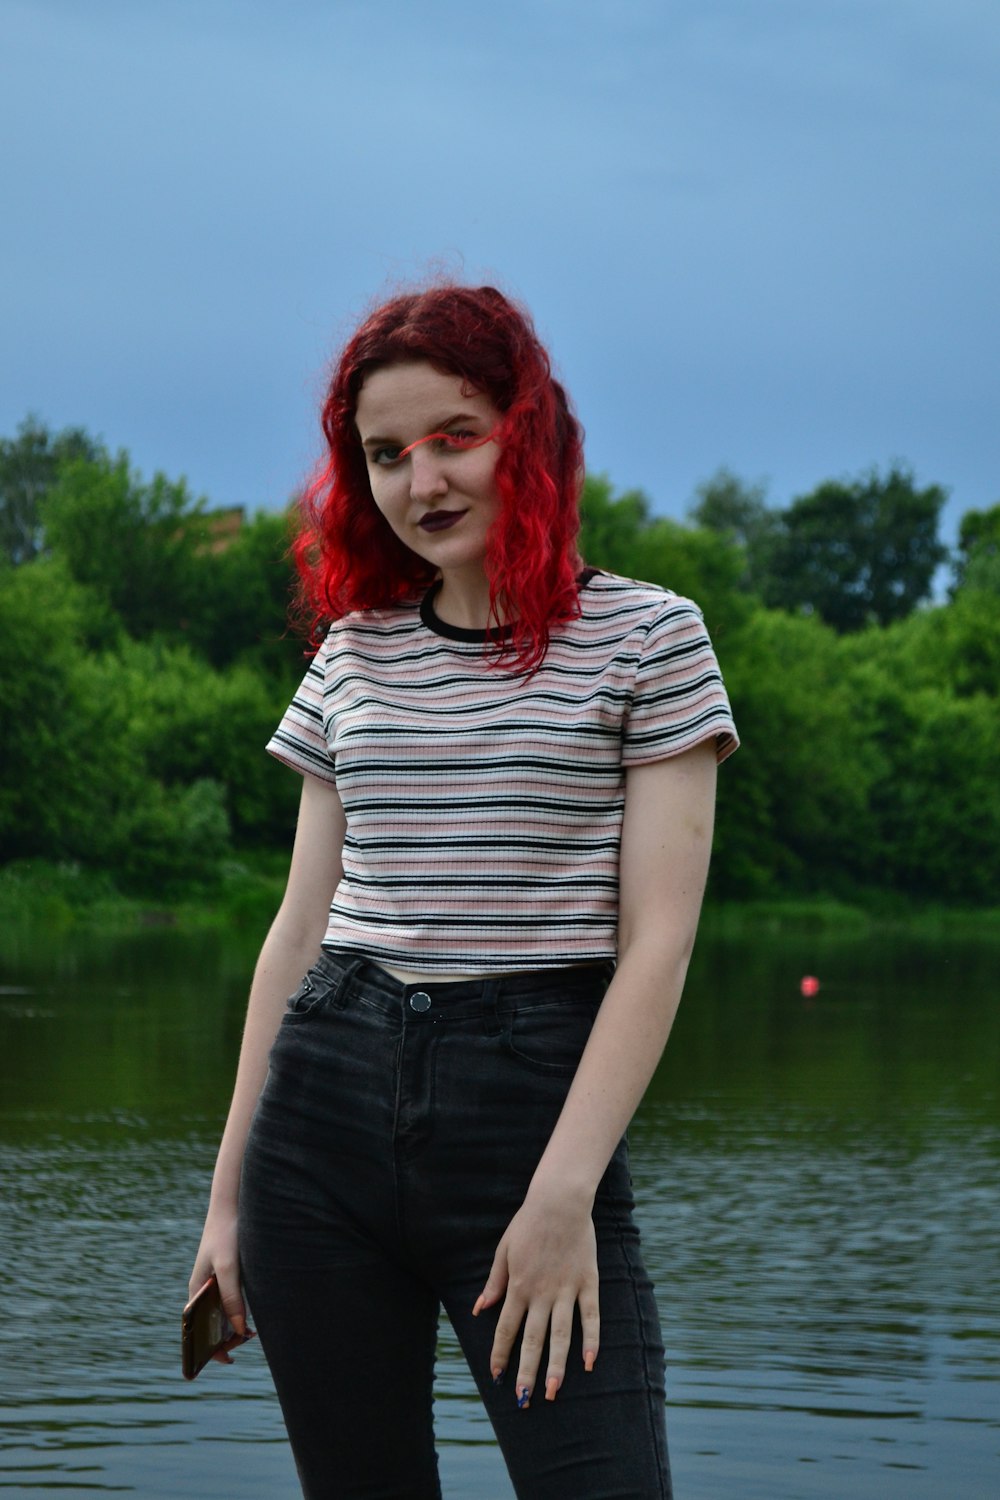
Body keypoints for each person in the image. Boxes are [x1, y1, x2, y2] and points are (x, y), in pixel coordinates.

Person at [189, 282, 738, 1500]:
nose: (421, 481)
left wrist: (561, 1199)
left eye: (454, 437)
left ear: (525, 433)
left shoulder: (650, 640)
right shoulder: (353, 649)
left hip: (532, 1122)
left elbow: (657, 945)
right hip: (318, 1129)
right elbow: (296, 932)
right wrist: (226, 1204)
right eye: (386, 454)